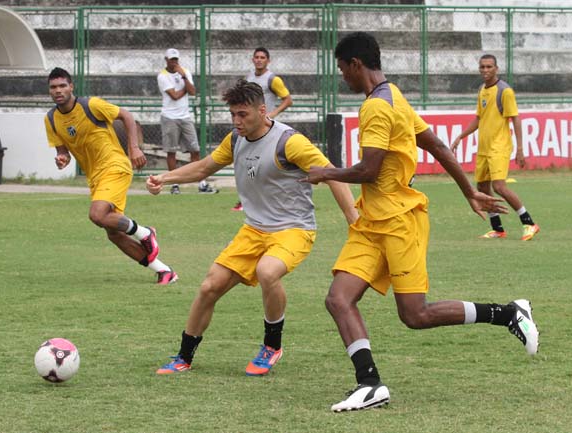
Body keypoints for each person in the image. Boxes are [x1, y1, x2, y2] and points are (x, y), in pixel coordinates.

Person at [302, 32, 540, 412]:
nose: (342, 78)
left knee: (415, 315)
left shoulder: (377, 108)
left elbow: (369, 169)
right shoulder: (393, 96)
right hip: (372, 222)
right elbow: (438, 146)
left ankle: (508, 313)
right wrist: (468, 191)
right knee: (338, 299)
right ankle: (370, 384)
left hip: (399, 222)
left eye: (342, 70)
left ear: (355, 65)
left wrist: (326, 173)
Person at [146, 79, 357, 377]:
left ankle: (272, 346)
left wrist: (353, 220)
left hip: (294, 229)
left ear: (263, 110)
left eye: (242, 114)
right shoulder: (235, 139)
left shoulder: (290, 142)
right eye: (233, 114)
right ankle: (183, 356)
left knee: (267, 271)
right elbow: (204, 168)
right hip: (254, 231)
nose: (236, 121)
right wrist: (164, 179)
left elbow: (332, 175)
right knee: (209, 287)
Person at [44, 67, 178, 284]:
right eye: (53, 87)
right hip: (95, 177)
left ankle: (145, 233)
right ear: (49, 91)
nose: (58, 90)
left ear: (71, 87)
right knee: (113, 232)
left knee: (97, 215)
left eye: (62, 86)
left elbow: (126, 116)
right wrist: (62, 159)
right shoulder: (51, 119)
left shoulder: (91, 105)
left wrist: (133, 148)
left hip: (114, 166)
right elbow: (62, 150)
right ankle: (164, 271)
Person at [450, 54, 540, 241]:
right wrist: (461, 136)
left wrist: (520, 148)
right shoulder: (482, 90)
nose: (485, 70)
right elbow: (478, 118)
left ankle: (529, 223)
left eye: (489, 67)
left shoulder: (504, 91)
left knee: (499, 186)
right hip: (484, 147)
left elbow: (515, 118)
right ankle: (498, 229)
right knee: (482, 187)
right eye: (482, 67)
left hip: (499, 147)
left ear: (496, 69)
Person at [231, 47, 294, 212]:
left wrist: (272, 114)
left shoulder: (273, 79)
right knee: (250, 164)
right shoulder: (249, 77)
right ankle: (248, 199)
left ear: (268, 61)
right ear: (253, 59)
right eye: (256, 57)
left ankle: (259, 199)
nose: (259, 60)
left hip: (266, 130)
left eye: (262, 57)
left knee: (261, 165)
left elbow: (288, 100)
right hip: (251, 127)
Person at [157, 48, 217, 195]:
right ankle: (174, 184)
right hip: (169, 117)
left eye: (176, 59)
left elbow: (193, 91)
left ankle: (201, 184)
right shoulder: (162, 76)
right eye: (172, 60)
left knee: (194, 149)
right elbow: (175, 95)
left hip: (185, 116)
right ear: (166, 60)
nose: (174, 62)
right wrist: (186, 87)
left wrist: (184, 77)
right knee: (171, 152)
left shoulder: (185, 72)